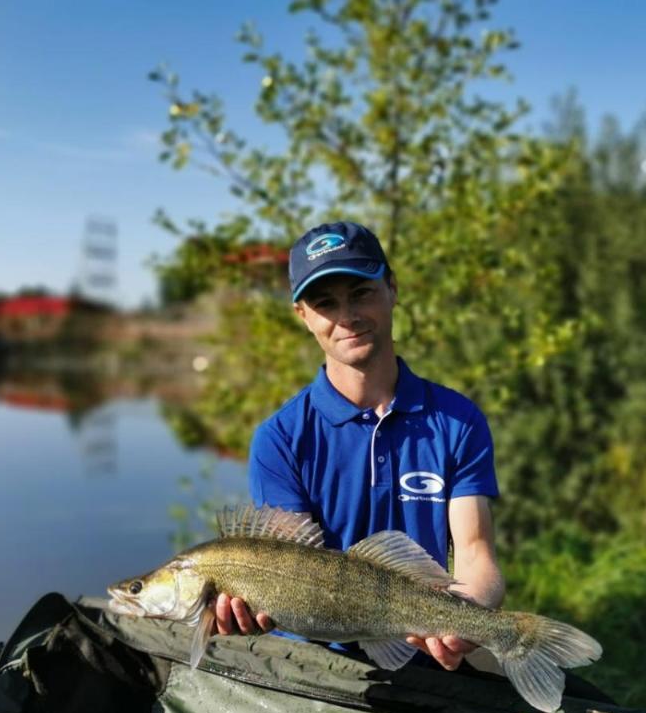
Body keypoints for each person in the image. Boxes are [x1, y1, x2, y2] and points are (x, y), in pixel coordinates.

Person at [214, 221, 505, 672]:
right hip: (312, 662)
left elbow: (474, 553)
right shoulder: (280, 438)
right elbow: (292, 569)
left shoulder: (457, 420)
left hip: (425, 646)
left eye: (361, 293)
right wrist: (247, 607)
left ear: (392, 288)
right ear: (303, 316)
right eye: (325, 303)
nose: (346, 316)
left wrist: (468, 617)